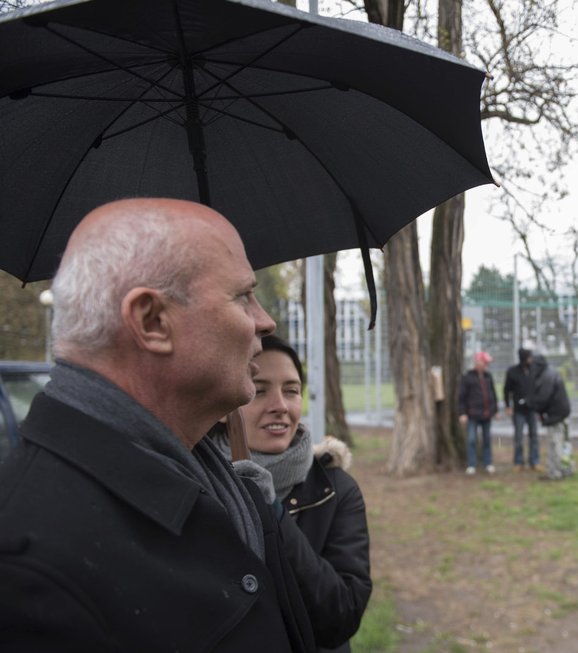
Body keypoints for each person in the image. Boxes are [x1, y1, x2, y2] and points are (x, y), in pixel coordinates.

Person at [0, 198, 316, 652]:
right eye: (243, 296)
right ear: (152, 321)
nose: (263, 321)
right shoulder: (27, 574)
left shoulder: (209, 471)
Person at [210, 335, 372, 653]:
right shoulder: (197, 481)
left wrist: (272, 510)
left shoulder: (336, 490)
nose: (280, 406)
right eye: (259, 391)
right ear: (226, 403)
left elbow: (341, 615)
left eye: (291, 390)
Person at [530, 354, 573, 480]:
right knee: (566, 444)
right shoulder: (551, 372)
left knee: (555, 445)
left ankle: (555, 473)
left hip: (556, 416)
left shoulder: (546, 377)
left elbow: (543, 399)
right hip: (564, 413)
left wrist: (535, 408)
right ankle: (567, 469)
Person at [458, 351, 498, 474]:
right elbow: (461, 397)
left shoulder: (488, 376)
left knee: (487, 439)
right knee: (471, 439)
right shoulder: (467, 377)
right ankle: (471, 464)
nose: (486, 365)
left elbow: (493, 394)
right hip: (473, 414)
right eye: (485, 362)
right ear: (478, 363)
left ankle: (488, 463)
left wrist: (495, 410)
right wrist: (462, 413)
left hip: (487, 414)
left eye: (487, 363)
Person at [504, 347, 539, 471]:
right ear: (523, 358)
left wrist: (538, 408)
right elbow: (506, 390)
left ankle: (534, 461)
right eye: (529, 357)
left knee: (534, 435)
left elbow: (538, 389)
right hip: (518, 410)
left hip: (532, 409)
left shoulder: (534, 370)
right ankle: (518, 462)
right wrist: (508, 406)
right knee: (519, 436)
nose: (531, 359)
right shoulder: (512, 372)